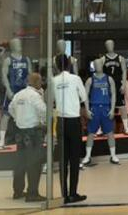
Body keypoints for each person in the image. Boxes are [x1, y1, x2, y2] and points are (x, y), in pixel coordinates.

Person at [52, 55, 88, 204]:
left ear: (55, 65)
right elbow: (84, 97)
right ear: (68, 64)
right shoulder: (75, 79)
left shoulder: (53, 81)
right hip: (73, 122)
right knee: (74, 159)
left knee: (63, 160)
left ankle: (64, 194)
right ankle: (73, 193)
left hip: (60, 122)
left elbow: (52, 101)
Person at [8, 72, 47, 202]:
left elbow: (10, 109)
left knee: (20, 163)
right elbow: (44, 110)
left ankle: (18, 191)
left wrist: (17, 119)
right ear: (37, 83)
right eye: (40, 81)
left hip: (20, 132)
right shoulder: (35, 96)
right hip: (33, 132)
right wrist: (43, 122)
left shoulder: (19, 94)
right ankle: (32, 193)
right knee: (34, 164)